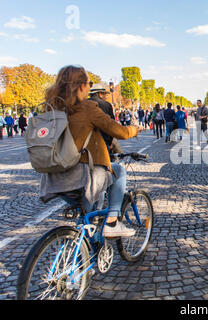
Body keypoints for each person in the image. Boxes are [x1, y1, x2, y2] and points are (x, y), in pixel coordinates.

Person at [39, 65, 144, 238]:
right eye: (89, 83)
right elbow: (118, 131)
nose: (89, 88)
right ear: (80, 85)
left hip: (53, 178)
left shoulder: (51, 107)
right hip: (82, 177)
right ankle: (112, 222)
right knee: (118, 171)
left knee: (86, 219)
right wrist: (135, 129)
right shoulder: (87, 107)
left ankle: (82, 251)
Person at [89, 84, 116, 152]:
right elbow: (111, 125)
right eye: (105, 94)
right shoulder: (106, 105)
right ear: (100, 94)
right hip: (103, 140)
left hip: (87, 142)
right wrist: (110, 141)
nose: (106, 97)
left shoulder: (83, 104)